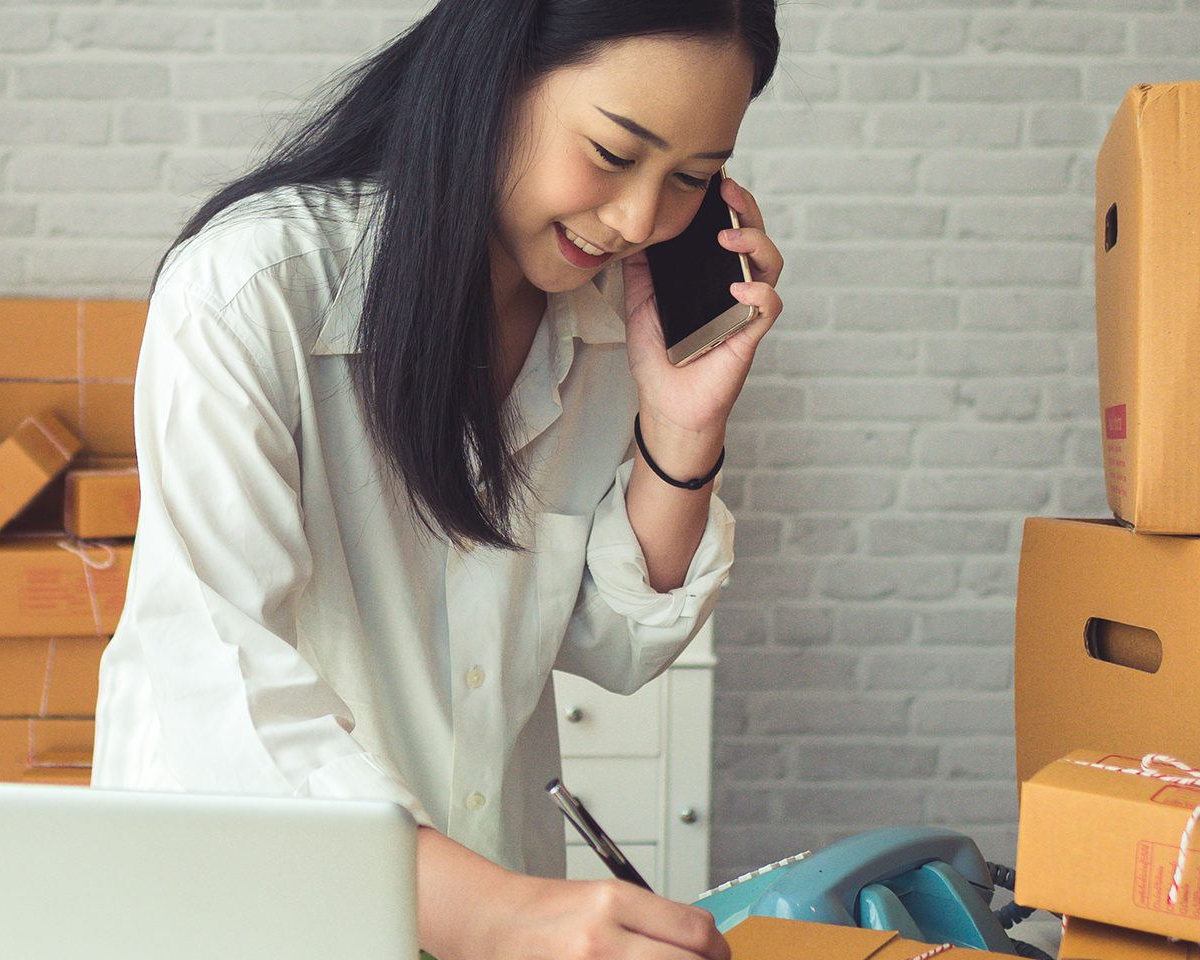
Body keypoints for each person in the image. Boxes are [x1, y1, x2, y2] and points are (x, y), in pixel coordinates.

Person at [90, 0, 784, 956]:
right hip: (254, 906)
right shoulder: (252, 288)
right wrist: (497, 916)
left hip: (491, 888)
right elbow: (220, 680)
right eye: (615, 154)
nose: (637, 220)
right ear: (493, 76)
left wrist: (682, 427)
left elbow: (616, 641)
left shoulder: (605, 318)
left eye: (692, 180)